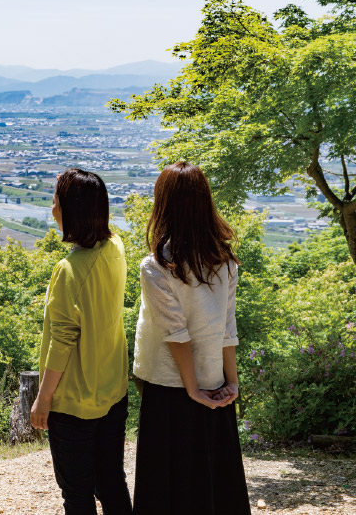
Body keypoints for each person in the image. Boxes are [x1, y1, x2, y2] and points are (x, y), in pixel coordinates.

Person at [132, 162, 251, 515]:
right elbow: (228, 329)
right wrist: (231, 382)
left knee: (167, 488)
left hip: (170, 385)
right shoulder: (225, 261)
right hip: (215, 383)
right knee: (215, 486)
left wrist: (192, 388)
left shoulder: (156, 266)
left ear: (163, 204)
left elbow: (176, 334)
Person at [30, 168, 132, 515]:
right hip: (112, 390)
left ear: (70, 209)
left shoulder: (68, 270)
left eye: (56, 201)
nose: (52, 208)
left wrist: (42, 400)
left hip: (74, 401)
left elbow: (62, 341)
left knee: (77, 495)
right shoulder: (115, 247)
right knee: (111, 482)